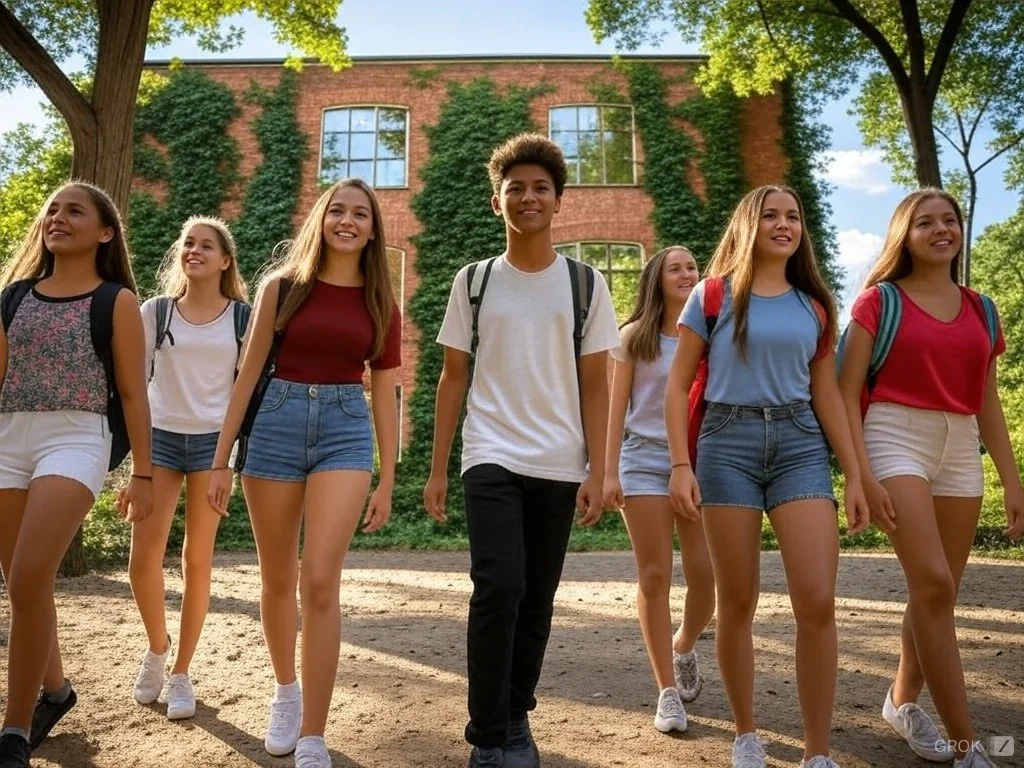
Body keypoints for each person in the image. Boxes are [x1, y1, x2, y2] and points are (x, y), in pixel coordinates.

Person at [423, 133, 621, 768]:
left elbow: (598, 381)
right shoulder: (475, 282)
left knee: (537, 597)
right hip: (491, 450)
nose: (528, 196)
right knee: (497, 585)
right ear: (496, 201)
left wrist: (601, 465)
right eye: (516, 188)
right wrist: (436, 470)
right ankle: (487, 736)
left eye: (540, 188)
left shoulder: (586, 285)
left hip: (562, 458)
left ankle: (515, 717)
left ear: (558, 201)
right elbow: (453, 377)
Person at [664, 185, 869, 768]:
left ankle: (817, 753)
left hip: (801, 445)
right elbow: (678, 386)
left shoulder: (814, 305)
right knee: (738, 601)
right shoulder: (711, 296)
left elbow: (827, 391)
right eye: (771, 215)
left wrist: (854, 472)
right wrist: (681, 464)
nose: (784, 224)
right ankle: (746, 733)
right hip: (725, 445)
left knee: (818, 600)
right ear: (747, 225)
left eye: (794, 217)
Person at [207, 177, 400, 768]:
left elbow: (387, 390)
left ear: (372, 229)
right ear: (321, 219)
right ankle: (285, 691)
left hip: (345, 427)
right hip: (276, 423)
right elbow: (245, 376)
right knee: (276, 578)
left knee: (320, 581)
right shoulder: (282, 287)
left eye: (360, 214)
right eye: (337, 210)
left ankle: (313, 734)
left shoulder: (381, 302)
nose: (347, 220)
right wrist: (219, 459)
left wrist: (388, 476)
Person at [837, 188, 1022, 768]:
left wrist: (1013, 482)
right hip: (894, 435)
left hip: (961, 444)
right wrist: (858, 474)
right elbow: (844, 392)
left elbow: (986, 399)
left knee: (936, 591)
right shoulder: (878, 302)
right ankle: (971, 747)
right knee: (935, 584)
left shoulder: (981, 309)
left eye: (950, 220)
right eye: (926, 223)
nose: (941, 229)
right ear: (904, 235)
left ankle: (902, 699)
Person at [0, 182, 153, 768]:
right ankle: (56, 691)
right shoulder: (12, 297)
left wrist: (142, 473)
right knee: (22, 581)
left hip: (77, 436)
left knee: (29, 574)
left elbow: (134, 395)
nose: (58, 217)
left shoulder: (115, 302)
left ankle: (14, 732)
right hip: (8, 438)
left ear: (105, 232)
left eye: (75, 211)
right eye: (52, 210)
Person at [129, 216, 251, 721]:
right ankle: (157, 648)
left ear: (225, 261)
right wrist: (134, 467)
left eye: (206, 245)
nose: (193, 250)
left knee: (196, 560)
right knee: (142, 561)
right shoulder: (155, 313)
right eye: (187, 244)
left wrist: (228, 459)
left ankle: (181, 671)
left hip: (212, 448)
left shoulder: (243, 319)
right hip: (158, 441)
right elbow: (134, 390)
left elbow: (245, 395)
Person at [603, 245, 715, 733]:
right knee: (654, 575)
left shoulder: (711, 335)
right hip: (642, 461)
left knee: (707, 574)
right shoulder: (633, 338)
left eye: (692, 266)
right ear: (656, 279)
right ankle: (667, 692)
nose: (688, 273)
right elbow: (614, 410)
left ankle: (684, 644)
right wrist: (607, 471)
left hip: (699, 463)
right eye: (676, 268)